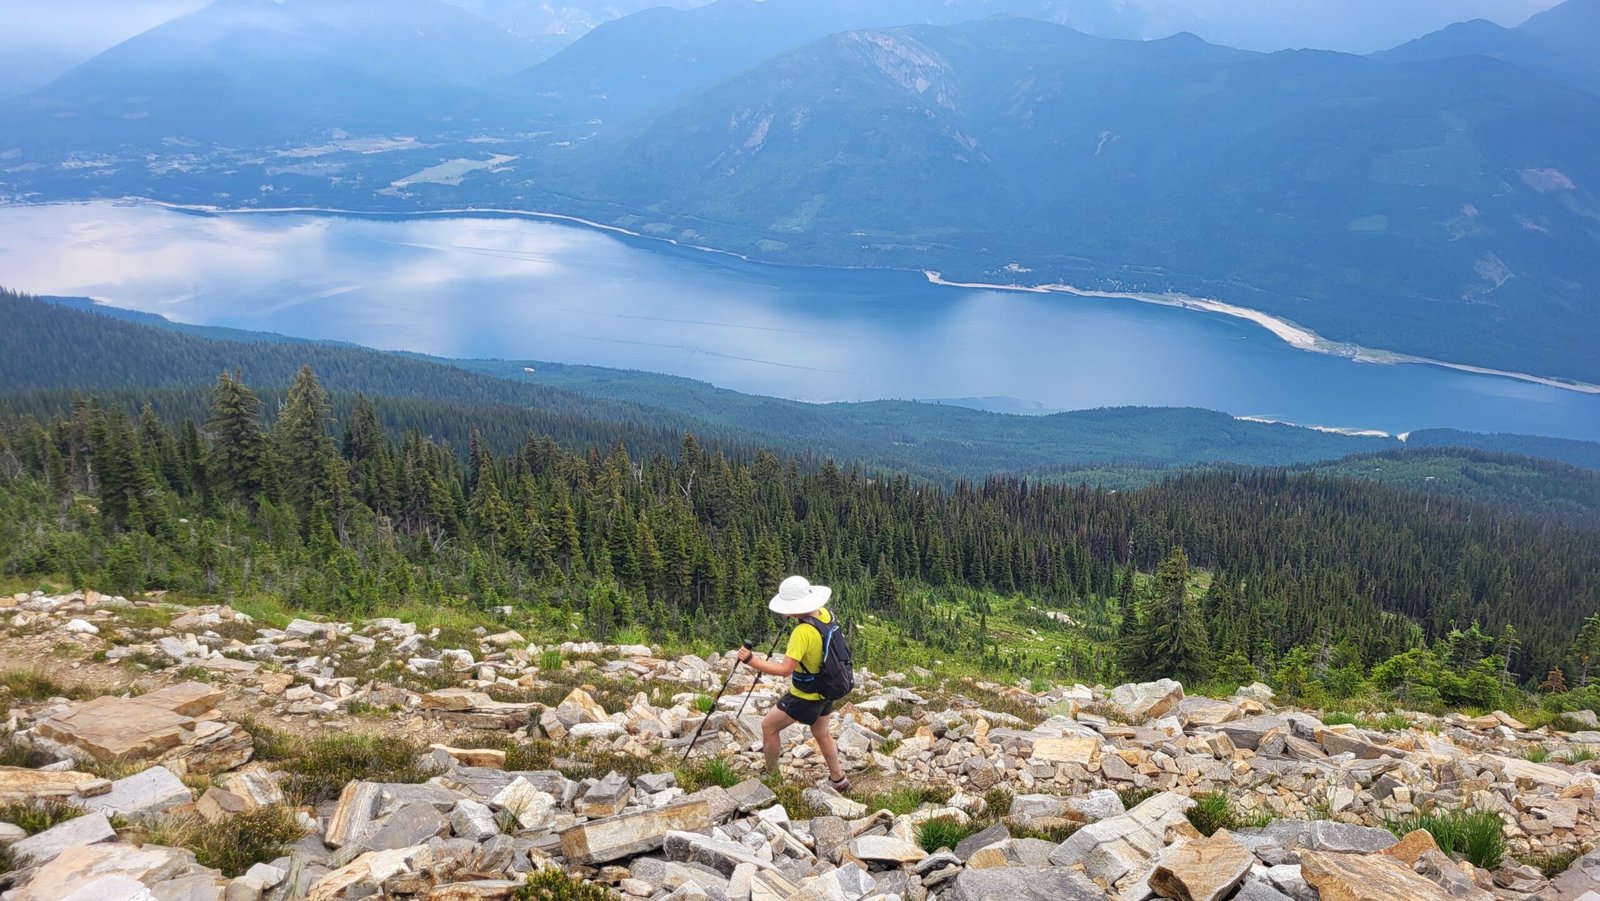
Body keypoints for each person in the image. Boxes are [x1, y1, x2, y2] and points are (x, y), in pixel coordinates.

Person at [735, 574, 851, 792]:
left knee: (769, 726)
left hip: (805, 694)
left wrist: (751, 661)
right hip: (828, 688)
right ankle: (839, 779)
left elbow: (784, 670)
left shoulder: (802, 632)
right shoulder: (826, 615)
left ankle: (772, 777)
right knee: (822, 732)